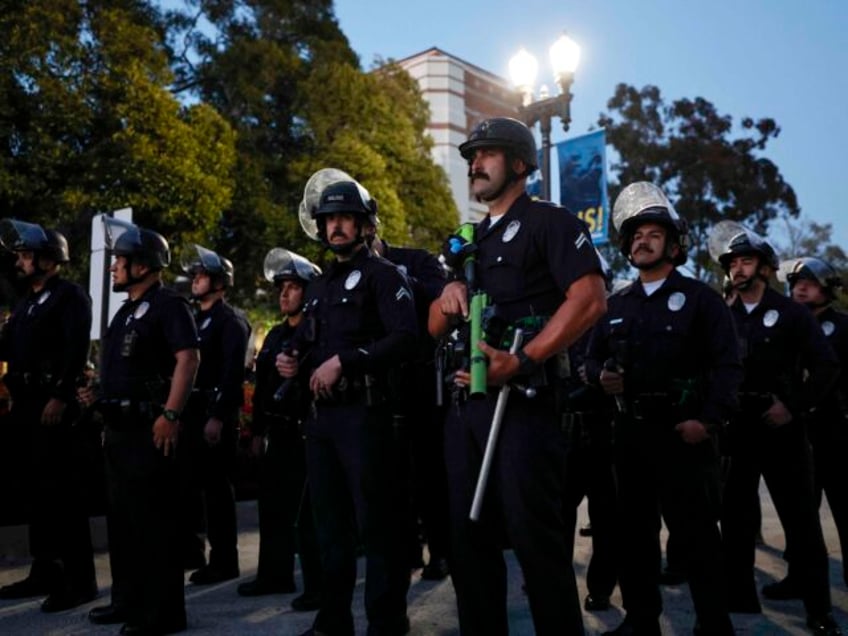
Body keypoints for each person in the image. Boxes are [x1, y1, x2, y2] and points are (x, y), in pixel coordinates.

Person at [429, 116, 607, 635]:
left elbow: (590, 300)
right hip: (466, 409)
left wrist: (524, 359)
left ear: (521, 163)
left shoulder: (550, 224)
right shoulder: (467, 243)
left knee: (537, 547)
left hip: (524, 408)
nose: (474, 164)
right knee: (467, 549)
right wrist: (446, 296)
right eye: (470, 157)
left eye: (486, 154)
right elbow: (433, 326)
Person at [584, 183, 741, 636]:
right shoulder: (616, 304)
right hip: (630, 435)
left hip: (684, 434)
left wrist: (708, 421)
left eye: (652, 233)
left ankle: (714, 624)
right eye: (635, 235)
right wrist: (599, 377)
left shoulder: (701, 300)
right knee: (635, 538)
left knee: (697, 538)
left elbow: (728, 367)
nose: (642, 241)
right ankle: (641, 620)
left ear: (673, 244)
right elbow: (590, 360)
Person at [277, 176, 418, 636]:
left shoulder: (383, 275)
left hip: (367, 417)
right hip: (322, 423)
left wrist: (347, 360)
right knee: (329, 529)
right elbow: (305, 343)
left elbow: (405, 338)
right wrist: (289, 358)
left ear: (364, 225)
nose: (336, 227)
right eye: (329, 219)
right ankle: (332, 620)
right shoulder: (317, 287)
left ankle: (386, 623)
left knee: (378, 528)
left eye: (345, 219)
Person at [713, 224, 842, 636]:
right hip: (736, 429)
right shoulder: (720, 314)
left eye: (746, 260)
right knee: (734, 520)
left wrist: (794, 406)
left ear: (766, 269)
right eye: (732, 262)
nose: (737, 268)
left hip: (781, 429)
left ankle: (819, 611)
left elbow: (826, 367)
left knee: (802, 522)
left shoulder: (791, 314)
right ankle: (738, 596)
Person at [84, 217, 199, 635]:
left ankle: (162, 615)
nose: (115, 267)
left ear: (145, 265)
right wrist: (97, 395)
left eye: (122, 261)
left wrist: (170, 414)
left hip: (150, 431)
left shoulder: (169, 305)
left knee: (155, 526)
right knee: (126, 525)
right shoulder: (126, 312)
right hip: (120, 431)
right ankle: (129, 601)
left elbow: (188, 359)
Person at [0, 219, 97, 612]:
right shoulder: (26, 302)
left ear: (49, 259)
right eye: (20, 255)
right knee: (37, 493)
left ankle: (80, 581)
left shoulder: (69, 297)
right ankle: (45, 571)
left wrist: (60, 396)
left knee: (65, 495)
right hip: (26, 406)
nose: (20, 261)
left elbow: (76, 350)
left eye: (26, 255)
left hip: (53, 405)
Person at [364, 218, 451, 580]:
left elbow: (440, 298)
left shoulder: (416, 260)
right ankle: (406, 550)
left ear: (371, 228)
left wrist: (395, 276)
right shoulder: (353, 275)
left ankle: (441, 551)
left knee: (430, 471)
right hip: (381, 383)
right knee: (390, 474)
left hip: (423, 379)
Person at [237, 248, 322, 612]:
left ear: (308, 291)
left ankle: (318, 587)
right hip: (277, 433)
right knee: (271, 507)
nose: (284, 294)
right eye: (281, 288)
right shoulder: (272, 336)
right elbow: (263, 387)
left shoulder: (316, 332)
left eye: (292, 287)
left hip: (308, 432)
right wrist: (257, 431)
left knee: (309, 516)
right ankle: (274, 574)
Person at [760, 257, 848, 599]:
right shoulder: (784, 326)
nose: (801, 287)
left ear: (828, 288)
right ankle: (799, 577)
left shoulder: (843, 327)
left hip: (838, 434)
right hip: (796, 434)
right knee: (800, 516)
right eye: (796, 281)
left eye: (810, 282)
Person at [178, 244, 251, 585]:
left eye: (203, 275)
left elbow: (232, 374)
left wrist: (219, 416)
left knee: (217, 491)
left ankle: (225, 561)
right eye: (195, 274)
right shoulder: (194, 318)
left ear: (220, 282)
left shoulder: (230, 321)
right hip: (191, 413)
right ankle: (191, 551)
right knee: (189, 486)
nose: (196, 279)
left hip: (213, 414)